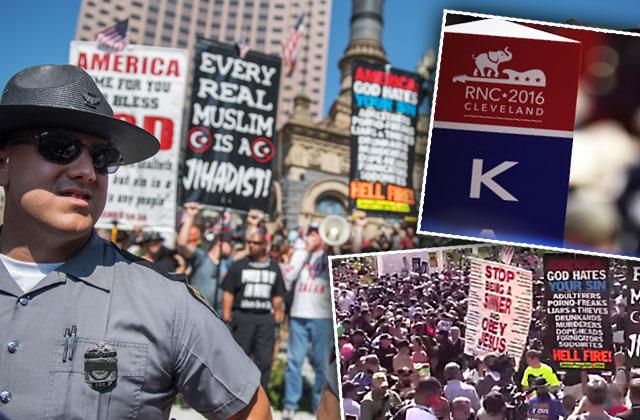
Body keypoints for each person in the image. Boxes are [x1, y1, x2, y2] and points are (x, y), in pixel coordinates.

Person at [0, 64, 270, 418]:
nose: (86, 171)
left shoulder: (167, 304)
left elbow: (253, 413)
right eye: (59, 147)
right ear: (3, 163)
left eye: (102, 158)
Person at [221, 227, 285, 391]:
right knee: (239, 358)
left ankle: (260, 396)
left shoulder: (274, 267)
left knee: (264, 361)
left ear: (265, 244)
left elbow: (278, 294)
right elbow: (228, 292)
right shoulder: (238, 265)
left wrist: (278, 315)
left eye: (256, 243)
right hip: (243, 317)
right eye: (249, 242)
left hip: (265, 319)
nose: (251, 245)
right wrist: (227, 315)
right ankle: (234, 392)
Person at [283, 224, 334, 418]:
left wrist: (329, 246)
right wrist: (303, 252)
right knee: (294, 361)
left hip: (322, 317)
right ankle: (290, 403)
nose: (311, 237)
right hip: (299, 314)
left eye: (315, 234)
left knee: (321, 364)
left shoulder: (328, 255)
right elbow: (288, 276)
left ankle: (317, 405)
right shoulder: (300, 254)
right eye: (310, 233)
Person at [176, 202, 233, 314]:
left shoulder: (227, 263)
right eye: (229, 243)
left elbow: (248, 250)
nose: (232, 247)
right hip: (196, 311)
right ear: (220, 243)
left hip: (217, 315)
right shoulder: (202, 257)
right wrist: (190, 216)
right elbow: (182, 243)